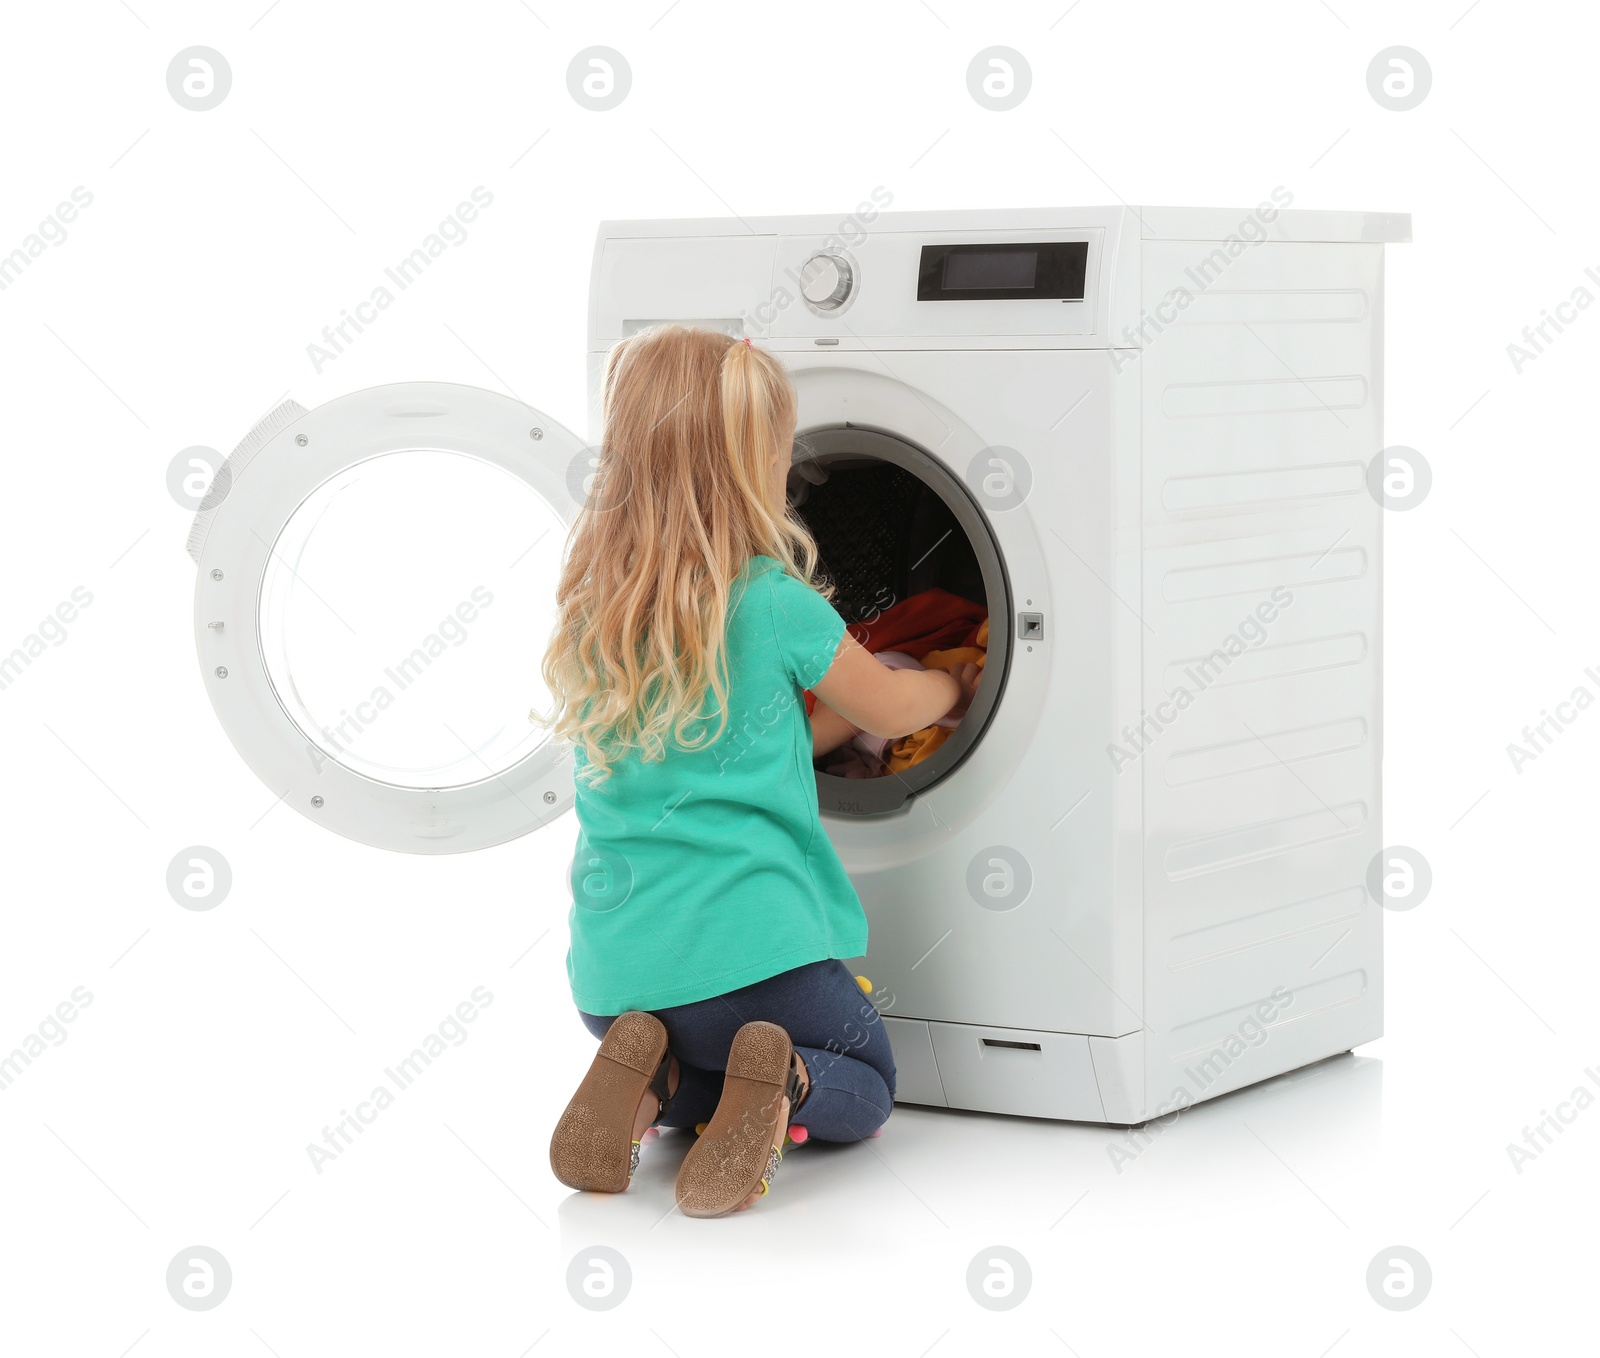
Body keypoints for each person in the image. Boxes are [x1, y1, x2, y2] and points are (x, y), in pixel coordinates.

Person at [537, 325, 979, 1217]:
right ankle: (786, 1081)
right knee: (867, 1078)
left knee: (703, 1054)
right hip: (759, 970)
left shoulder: (596, 609)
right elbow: (891, 710)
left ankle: (651, 1079)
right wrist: (953, 678)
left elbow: (738, 744)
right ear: (751, 467)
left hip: (614, 978)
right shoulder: (774, 602)